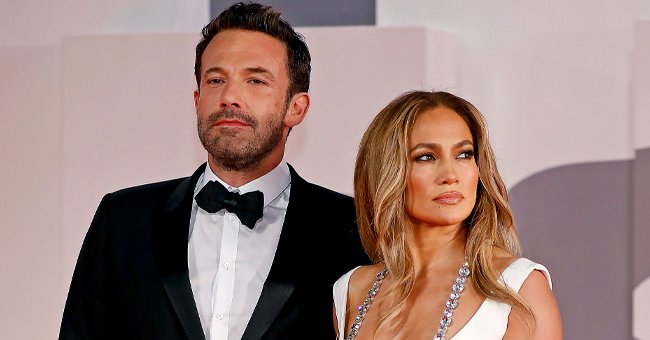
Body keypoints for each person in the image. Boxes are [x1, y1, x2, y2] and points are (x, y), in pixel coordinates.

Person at [60, 3, 368, 340]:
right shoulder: (122, 220)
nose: (230, 96)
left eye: (255, 80)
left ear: (296, 108)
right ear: (197, 99)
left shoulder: (354, 228)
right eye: (216, 79)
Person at [333, 91, 562, 339]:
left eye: (464, 154)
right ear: (387, 172)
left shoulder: (519, 288)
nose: (450, 175)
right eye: (426, 157)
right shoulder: (352, 290)